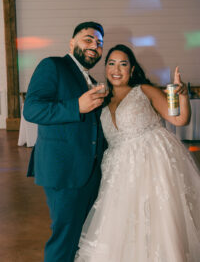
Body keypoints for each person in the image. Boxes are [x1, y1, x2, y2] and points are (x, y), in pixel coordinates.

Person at [76, 44, 200, 262]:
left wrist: (182, 96)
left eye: (123, 64)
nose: (117, 69)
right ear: (105, 69)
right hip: (118, 175)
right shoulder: (101, 101)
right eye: (111, 63)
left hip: (153, 166)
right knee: (121, 228)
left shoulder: (144, 90)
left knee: (158, 225)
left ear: (132, 69)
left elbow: (180, 119)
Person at [23, 21, 108, 262]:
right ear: (72, 43)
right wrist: (76, 106)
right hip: (64, 170)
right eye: (88, 39)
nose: (94, 46)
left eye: (99, 43)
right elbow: (32, 110)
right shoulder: (53, 66)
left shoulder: (89, 78)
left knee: (79, 236)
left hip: (88, 171)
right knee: (64, 239)